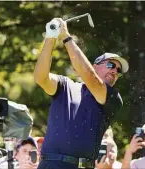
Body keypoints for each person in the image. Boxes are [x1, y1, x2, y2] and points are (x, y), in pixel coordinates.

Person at [34, 18, 129, 169]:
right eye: (111, 65)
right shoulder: (66, 85)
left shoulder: (114, 98)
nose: (114, 71)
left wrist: (66, 37)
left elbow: (89, 76)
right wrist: (51, 37)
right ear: (94, 66)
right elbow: (41, 77)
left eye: (118, 71)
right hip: (49, 164)